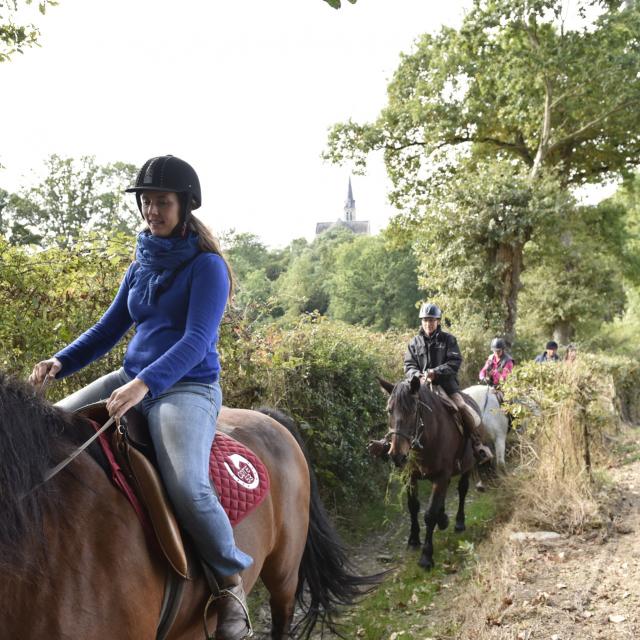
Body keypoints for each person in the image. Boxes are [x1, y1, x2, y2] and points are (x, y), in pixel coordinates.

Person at [29, 155, 252, 640]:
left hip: (186, 387)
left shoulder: (207, 267)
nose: (153, 210)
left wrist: (144, 384)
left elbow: (196, 340)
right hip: (132, 378)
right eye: (147, 201)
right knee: (43, 432)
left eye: (162, 202)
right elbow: (109, 329)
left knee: (188, 484)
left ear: (185, 205)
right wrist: (59, 362)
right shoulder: (143, 262)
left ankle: (229, 584)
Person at [368, 303, 493, 463]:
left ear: (438, 321)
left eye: (432, 320)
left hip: (446, 386)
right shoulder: (414, 343)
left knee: (461, 407)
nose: (428, 323)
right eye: (425, 320)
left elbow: (454, 362)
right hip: (419, 387)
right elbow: (409, 365)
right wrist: (417, 375)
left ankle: (477, 444)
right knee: (400, 408)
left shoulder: (448, 340)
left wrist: (436, 372)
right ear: (421, 321)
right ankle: (391, 443)